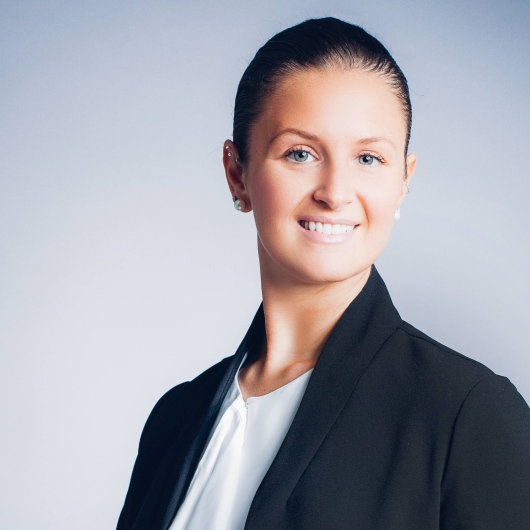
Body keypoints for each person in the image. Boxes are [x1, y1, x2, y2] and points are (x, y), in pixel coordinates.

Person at [116, 17, 530, 530]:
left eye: (368, 158)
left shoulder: (468, 415)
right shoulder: (174, 420)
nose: (335, 192)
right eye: (300, 153)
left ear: (403, 180)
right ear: (237, 173)